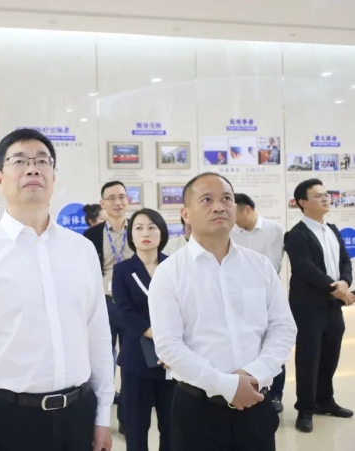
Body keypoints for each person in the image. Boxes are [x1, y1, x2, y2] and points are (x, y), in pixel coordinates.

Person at [0, 129, 114, 451]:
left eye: (42, 161)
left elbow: (97, 337)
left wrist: (103, 413)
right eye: (20, 161)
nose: (33, 168)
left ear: (53, 176)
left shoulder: (81, 250)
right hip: (10, 418)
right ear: (0, 178)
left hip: (78, 414)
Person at [148, 172, 296, 451]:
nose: (219, 207)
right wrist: (226, 385)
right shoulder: (169, 272)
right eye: (206, 200)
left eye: (226, 199)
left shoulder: (259, 266)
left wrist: (255, 373)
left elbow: (283, 327)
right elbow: (168, 345)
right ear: (186, 214)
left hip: (256, 403)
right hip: (198, 410)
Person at [284, 179, 355, 433]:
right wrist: (335, 288)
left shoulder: (332, 229)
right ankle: (305, 408)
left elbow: (345, 261)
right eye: (318, 196)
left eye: (326, 195)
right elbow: (305, 269)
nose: (326, 198)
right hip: (308, 307)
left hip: (333, 306)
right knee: (308, 358)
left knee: (330, 355)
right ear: (302, 202)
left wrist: (345, 282)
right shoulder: (296, 235)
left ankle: (325, 400)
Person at [113, 208, 173, 451]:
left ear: (162, 233)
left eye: (151, 227)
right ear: (131, 236)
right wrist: (159, 336)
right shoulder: (122, 270)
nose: (145, 233)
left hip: (173, 360)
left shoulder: (174, 266)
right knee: (136, 427)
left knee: (172, 426)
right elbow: (125, 311)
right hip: (137, 359)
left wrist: (171, 345)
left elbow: (187, 309)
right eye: (138, 228)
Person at [230, 193, 287, 412]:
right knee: (250, 344)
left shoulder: (273, 229)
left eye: (235, 213)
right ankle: (250, 387)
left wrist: (245, 272)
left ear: (247, 210)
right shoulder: (232, 233)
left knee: (272, 344)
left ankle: (276, 395)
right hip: (237, 298)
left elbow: (273, 265)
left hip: (265, 297)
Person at [83, 180, 133, 427]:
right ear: (102, 203)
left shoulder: (140, 229)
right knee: (103, 361)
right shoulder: (91, 236)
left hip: (133, 306)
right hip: (104, 302)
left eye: (121, 197)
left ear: (128, 200)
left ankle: (126, 418)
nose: (117, 202)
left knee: (130, 362)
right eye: (111, 198)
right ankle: (100, 418)